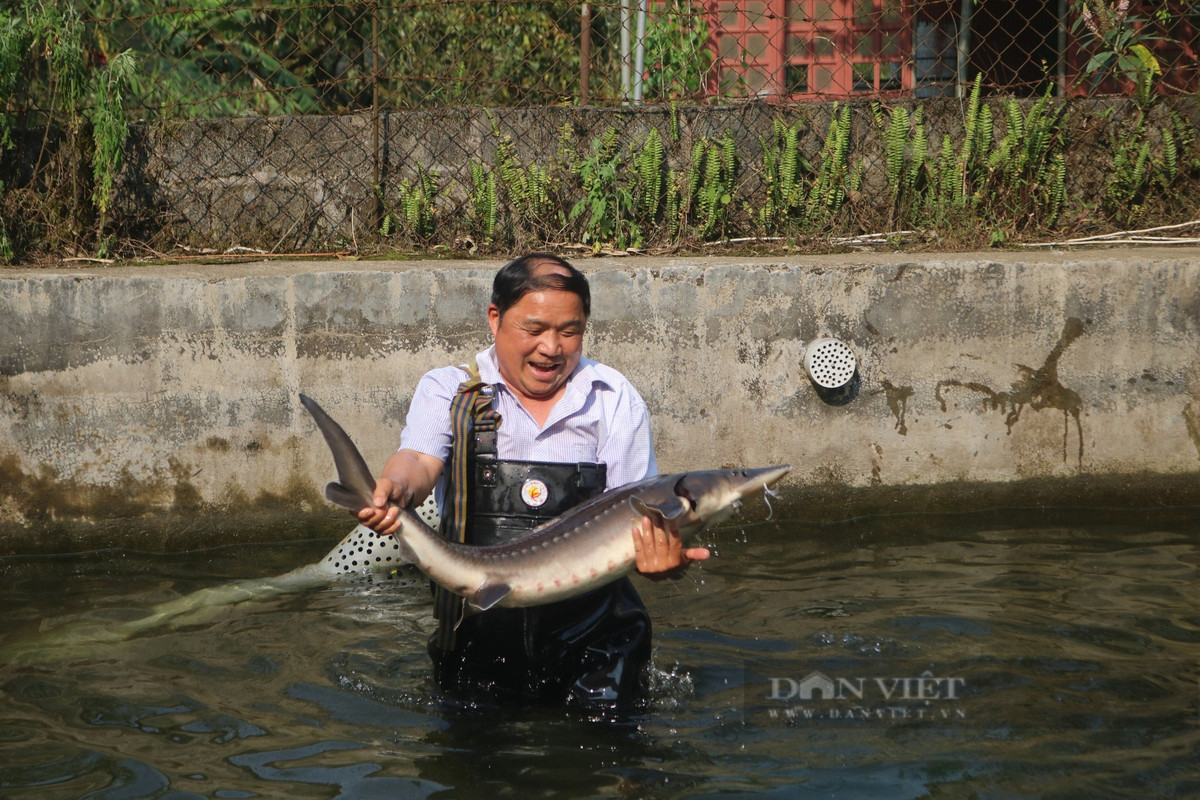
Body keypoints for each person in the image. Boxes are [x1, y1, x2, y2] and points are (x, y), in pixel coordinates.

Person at [356, 253, 707, 713]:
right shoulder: (451, 390)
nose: (551, 348)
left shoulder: (613, 396)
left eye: (569, 331)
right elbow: (419, 461)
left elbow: (637, 511)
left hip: (596, 643)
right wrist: (396, 489)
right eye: (534, 329)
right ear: (495, 318)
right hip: (477, 638)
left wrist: (664, 558)